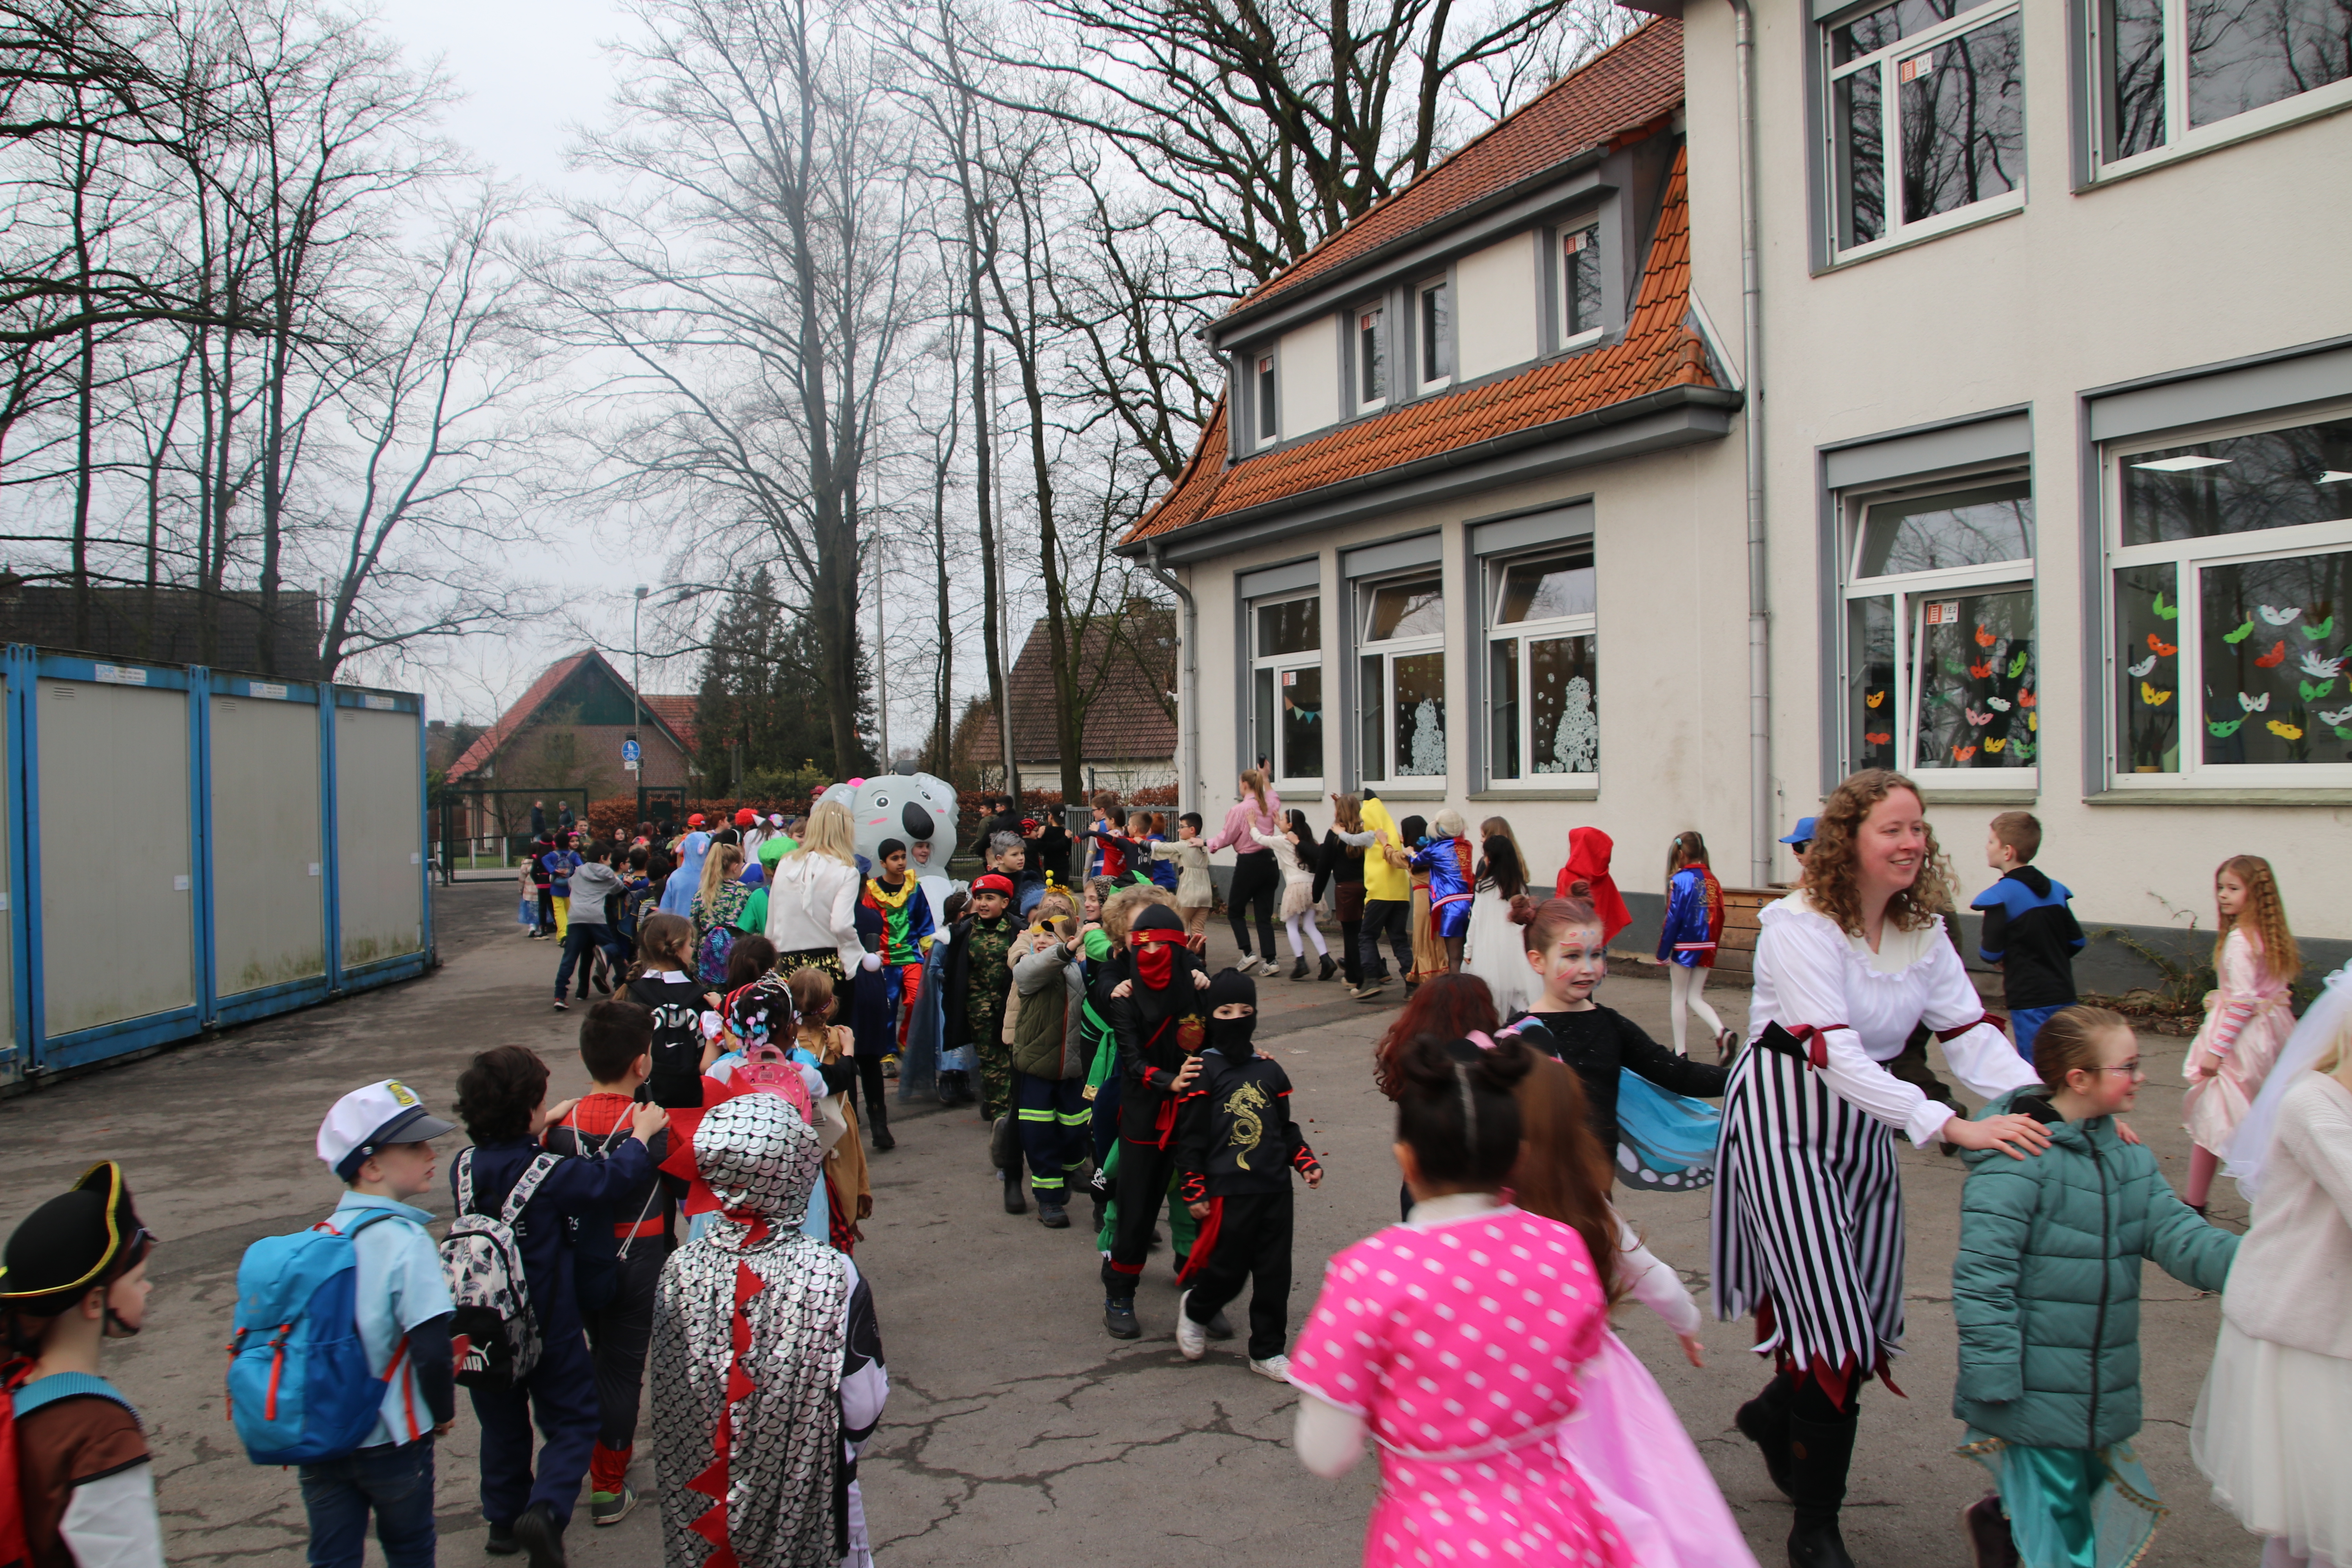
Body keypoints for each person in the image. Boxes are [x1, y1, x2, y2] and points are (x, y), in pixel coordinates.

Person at [1715, 768, 2048, 1568]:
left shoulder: (1923, 927)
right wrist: (1951, 1124)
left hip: (1867, 1119)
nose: (1911, 841)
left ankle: (1772, 1413)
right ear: (1848, 841)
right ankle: (1816, 1530)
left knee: (1860, 1316)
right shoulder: (1799, 927)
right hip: (1784, 1119)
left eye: (1918, 826)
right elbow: (1834, 1053)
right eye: (1893, 828)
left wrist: (2039, 1098)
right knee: (1833, 1322)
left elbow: (1966, 1031)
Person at [1287, 1033, 1627, 1568]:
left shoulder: (1367, 1273)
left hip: (1431, 1538)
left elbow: (1326, 1452)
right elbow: (1583, 1377)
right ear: (1518, 1157)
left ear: (1407, 1160)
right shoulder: (1562, 1251)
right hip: (1559, 1525)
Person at [1953, 1005, 2238, 1568]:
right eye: (2127, 1066)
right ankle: (2011, 1530)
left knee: (2074, 1496)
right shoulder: (2018, 1163)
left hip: (2097, 1385)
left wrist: (2268, 1263)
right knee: (2065, 1533)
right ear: (2079, 1079)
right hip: (2031, 1385)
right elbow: (1984, 1278)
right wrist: (1993, 1376)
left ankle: (2001, 1525)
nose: (2141, 1076)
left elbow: (2180, 1235)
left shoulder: (2126, 1155)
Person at [1507, 1051, 1758, 1568]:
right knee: (1638, 1483)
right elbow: (1653, 1277)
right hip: (1596, 1375)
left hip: (1514, 1375)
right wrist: (1686, 1326)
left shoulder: (1489, 1208)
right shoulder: (1588, 1205)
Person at [650, 1094, 888, 1568]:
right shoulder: (831, 1273)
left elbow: (669, 1391)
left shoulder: (678, 1271)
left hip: (704, 1499)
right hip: (809, 1492)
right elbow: (864, 1401)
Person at [450, 1045, 665, 1568]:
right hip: (548, 1324)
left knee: (501, 1425)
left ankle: (502, 1522)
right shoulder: (548, 1172)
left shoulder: (463, 1167)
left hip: (483, 1326)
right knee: (572, 1420)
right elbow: (608, 1181)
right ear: (527, 1112)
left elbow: (501, 1158)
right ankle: (545, 1512)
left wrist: (537, 1122)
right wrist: (639, 1136)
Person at [2195, 1000, 2352, 1568]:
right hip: (2299, 1338)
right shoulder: (2313, 1105)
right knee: (2308, 1525)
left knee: (2329, 1524)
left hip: (2334, 1331)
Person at [539, 1006, 670, 1528]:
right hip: (638, 1259)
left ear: (582, 1056)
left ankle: (583, 1462)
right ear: (642, 1065)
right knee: (620, 1371)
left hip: (575, 1262)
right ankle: (608, 1486)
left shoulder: (555, 1128)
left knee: (587, 1362)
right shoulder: (654, 1126)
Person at [1503, 889, 1730, 1189]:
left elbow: (1678, 1074)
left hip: (1598, 1191)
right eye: (1572, 956)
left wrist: (1749, 1076)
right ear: (1538, 961)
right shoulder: (1517, 1036)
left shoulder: (1609, 1024)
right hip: (1538, 1195)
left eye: (1596, 954)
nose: (1588, 968)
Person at [0, 1161, 165, 1568]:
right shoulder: (99, 1430)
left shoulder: (14, 1385)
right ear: (95, 1302)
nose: (148, 1287)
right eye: (138, 1278)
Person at [1172, 968, 1323, 1377]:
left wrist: (1304, 1159)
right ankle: (1198, 1306)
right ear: (1210, 1016)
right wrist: (1195, 1186)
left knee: (1275, 1274)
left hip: (1275, 1188)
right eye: (1225, 1010)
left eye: (1245, 1009)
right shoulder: (1203, 1070)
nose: (1236, 1017)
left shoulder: (1270, 1071)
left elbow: (1285, 1128)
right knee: (1228, 1272)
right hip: (1228, 1192)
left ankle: (1267, 1350)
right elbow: (1191, 1139)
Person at [1101, 904, 1209, 1339]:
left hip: (1195, 1118)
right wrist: (1169, 1081)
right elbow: (1132, 1061)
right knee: (1136, 1213)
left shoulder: (1199, 989)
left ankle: (1202, 1298)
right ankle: (1120, 1294)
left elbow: (1223, 1039)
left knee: (1202, 1208)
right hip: (1145, 1118)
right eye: (1145, 948)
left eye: (1164, 947)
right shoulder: (1125, 996)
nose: (1153, 957)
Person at [2183, 854, 2300, 1215]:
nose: (2223, 895)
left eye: (2233, 888)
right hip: (2272, 1034)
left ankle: (2196, 1203)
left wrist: (2217, 1051)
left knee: (2215, 1119)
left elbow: (2244, 1002)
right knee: (2261, 1116)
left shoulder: (2240, 941)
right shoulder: (2269, 935)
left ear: (2255, 893)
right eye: (2220, 887)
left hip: (2241, 1043)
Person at [1969, 811, 2085, 1065]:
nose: (1987, 848)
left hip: (2029, 998)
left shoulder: (1999, 896)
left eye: (1991, 842)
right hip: (2064, 991)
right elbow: (2077, 941)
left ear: (2007, 852)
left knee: (2036, 1066)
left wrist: (2009, 957)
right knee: (2066, 1061)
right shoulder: (2056, 890)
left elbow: (1990, 953)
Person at [1007, 887, 1091, 1227]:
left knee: (1074, 1131)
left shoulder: (1078, 968)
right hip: (1037, 1068)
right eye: (1037, 933)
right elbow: (1030, 972)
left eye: (1051, 933)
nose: (1041, 939)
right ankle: (1049, 1199)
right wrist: (1063, 948)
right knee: (1039, 1134)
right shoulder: (1029, 966)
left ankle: (1069, 1170)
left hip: (1072, 1068)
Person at [766, 799, 868, 988]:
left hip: (787, 964)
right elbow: (841, 925)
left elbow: (773, 915)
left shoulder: (786, 863)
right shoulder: (846, 870)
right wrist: (859, 953)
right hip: (829, 966)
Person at [626, 913, 722, 1109]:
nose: (692, 950)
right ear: (678, 949)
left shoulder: (630, 995)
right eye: (691, 944)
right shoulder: (704, 1000)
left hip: (642, 1104)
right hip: (696, 1104)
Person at [862, 838, 936, 1075]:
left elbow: (925, 921)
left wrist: (929, 951)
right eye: (895, 858)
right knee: (886, 1007)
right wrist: (869, 954)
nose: (901, 862)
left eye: (903, 857)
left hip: (912, 957)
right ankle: (886, 1053)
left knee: (917, 1001)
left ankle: (906, 1042)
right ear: (883, 863)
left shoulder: (914, 886)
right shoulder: (872, 891)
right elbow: (866, 924)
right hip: (884, 960)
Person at [953, 873, 1022, 1126]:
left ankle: (1020, 1110)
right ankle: (1001, 1117)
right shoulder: (964, 931)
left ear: (1005, 903)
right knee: (992, 1065)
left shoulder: (1018, 929)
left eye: (990, 898)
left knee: (1015, 1061)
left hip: (1012, 1009)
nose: (982, 903)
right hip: (980, 1011)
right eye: (979, 898)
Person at [1658, 830, 1733, 1057]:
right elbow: (1720, 914)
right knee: (1696, 996)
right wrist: (1713, 945)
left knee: (1679, 997)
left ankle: (1681, 1052)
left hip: (1685, 945)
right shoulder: (1713, 880)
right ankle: (1722, 1031)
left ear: (1681, 853)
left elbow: (1673, 918)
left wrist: (1663, 952)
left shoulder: (1679, 880)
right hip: (1707, 944)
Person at [1204, 769, 1284, 976]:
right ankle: (1271, 960)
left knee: (1236, 911)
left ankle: (1248, 953)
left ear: (1245, 785)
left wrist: (1206, 843)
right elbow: (1274, 798)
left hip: (1249, 863)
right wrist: (1266, 778)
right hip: (1270, 861)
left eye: (1240, 783)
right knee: (1263, 915)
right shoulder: (1268, 805)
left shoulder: (1240, 809)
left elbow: (1227, 837)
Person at [1463, 815, 1538, 1016]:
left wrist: (1468, 950)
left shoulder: (1483, 887)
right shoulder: (1519, 886)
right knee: (1516, 989)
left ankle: (1497, 1031)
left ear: (1491, 859)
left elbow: (1476, 920)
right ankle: (1531, 1019)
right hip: (1514, 945)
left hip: (1488, 946)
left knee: (1493, 991)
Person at [1253, 807, 1333, 981]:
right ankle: (1326, 958)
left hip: (1296, 886)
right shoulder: (1308, 841)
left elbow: (1260, 839)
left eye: (1282, 820)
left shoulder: (1283, 841)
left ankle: (1301, 961)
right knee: (1310, 925)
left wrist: (1252, 825)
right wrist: (1279, 825)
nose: (1279, 822)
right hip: (1312, 885)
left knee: (1291, 925)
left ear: (1290, 825)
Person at [1351, 789, 1412, 1001]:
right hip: (1401, 895)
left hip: (1379, 894)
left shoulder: (1372, 835)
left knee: (1367, 936)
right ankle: (1412, 983)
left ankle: (1371, 979)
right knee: (1399, 940)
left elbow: (1349, 839)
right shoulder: (1392, 831)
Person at [553, 848, 628, 1010]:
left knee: (570, 957)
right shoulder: (607, 873)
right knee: (613, 947)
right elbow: (619, 889)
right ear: (602, 858)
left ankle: (560, 995)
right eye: (609, 859)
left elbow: (570, 884)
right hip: (596, 917)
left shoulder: (579, 871)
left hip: (576, 916)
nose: (610, 862)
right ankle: (605, 953)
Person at [1408, 809, 1474, 975]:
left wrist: (1410, 852)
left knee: (1454, 957)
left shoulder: (1435, 849)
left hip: (1450, 905)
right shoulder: (1467, 846)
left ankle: (1455, 994)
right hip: (1470, 903)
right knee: (1470, 953)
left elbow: (1416, 860)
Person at [1318, 796, 1368, 995]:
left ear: (1338, 812)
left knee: (1350, 934)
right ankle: (1369, 971)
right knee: (1364, 933)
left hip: (1345, 889)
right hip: (1366, 887)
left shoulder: (1335, 834)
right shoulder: (1365, 830)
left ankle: (1355, 977)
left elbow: (1324, 865)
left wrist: (1317, 892)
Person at [1555, 825, 1632, 945]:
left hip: (1572, 938)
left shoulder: (1567, 875)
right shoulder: (1604, 877)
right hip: (1597, 936)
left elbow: (1560, 909)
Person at [1149, 812, 1214, 944]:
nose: (1178, 830)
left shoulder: (1185, 845)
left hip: (1189, 893)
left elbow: (1162, 848)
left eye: (1181, 826)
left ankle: (1183, 959)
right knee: (1198, 931)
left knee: (1180, 927)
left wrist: (1141, 841)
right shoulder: (1202, 846)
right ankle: (1200, 960)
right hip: (1205, 894)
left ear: (1192, 830)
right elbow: (1177, 855)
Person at [655, 826, 709, 918]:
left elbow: (664, 910)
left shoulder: (676, 877)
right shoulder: (712, 876)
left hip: (678, 928)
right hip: (706, 930)